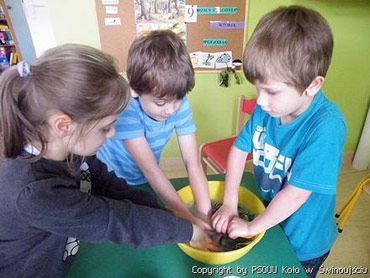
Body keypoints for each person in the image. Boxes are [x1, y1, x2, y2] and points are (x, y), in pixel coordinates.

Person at [0, 44, 212, 277]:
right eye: (105, 128)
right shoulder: (34, 194)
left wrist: (167, 214)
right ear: (64, 126)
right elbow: (116, 221)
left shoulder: (71, 151)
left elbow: (109, 186)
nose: (112, 134)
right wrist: (187, 231)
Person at [211, 6, 346, 278]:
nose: (260, 101)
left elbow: (296, 193)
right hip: (270, 222)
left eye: (271, 91)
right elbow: (238, 150)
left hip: (304, 243)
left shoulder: (327, 127)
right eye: (258, 88)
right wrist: (229, 202)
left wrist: (251, 227)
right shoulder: (267, 110)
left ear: (313, 84)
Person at [97, 30, 212, 227]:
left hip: (144, 178)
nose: (171, 109)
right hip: (109, 179)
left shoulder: (178, 103)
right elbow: (150, 169)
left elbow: (192, 162)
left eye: (178, 99)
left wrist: (204, 213)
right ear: (134, 90)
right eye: (160, 103)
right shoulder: (126, 109)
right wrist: (189, 221)